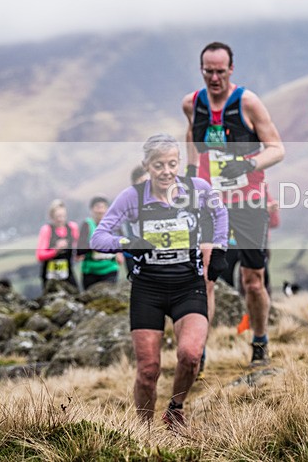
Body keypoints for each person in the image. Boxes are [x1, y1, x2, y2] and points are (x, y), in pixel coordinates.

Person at [91, 134, 229, 428]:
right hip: (148, 290)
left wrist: (219, 248)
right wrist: (128, 242)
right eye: (158, 165)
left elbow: (220, 212)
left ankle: (175, 408)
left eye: (172, 164)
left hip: (188, 285)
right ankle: (144, 430)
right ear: (147, 166)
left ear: (179, 163)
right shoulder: (133, 197)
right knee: (148, 370)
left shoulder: (197, 188)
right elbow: (98, 237)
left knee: (190, 355)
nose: (166, 171)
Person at [183, 42, 285, 368]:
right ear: (201, 70)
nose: (214, 78)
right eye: (208, 72)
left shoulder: (247, 103)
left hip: (248, 202)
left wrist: (247, 164)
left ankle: (259, 340)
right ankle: (199, 351)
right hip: (210, 203)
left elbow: (277, 149)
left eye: (220, 71)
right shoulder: (192, 104)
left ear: (231, 70)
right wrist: (190, 174)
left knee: (252, 280)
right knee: (205, 278)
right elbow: (192, 136)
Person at [76, 196, 120, 289]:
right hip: (91, 271)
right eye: (97, 207)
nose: (100, 211)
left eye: (103, 207)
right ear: (92, 209)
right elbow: (80, 250)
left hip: (110, 269)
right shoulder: (87, 225)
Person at [36, 199, 79, 290]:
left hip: (67, 273)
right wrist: (56, 250)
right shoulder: (47, 230)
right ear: (51, 217)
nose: (61, 219)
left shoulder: (72, 227)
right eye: (58, 217)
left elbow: (78, 248)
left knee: (76, 294)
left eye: (63, 216)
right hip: (50, 276)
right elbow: (40, 255)